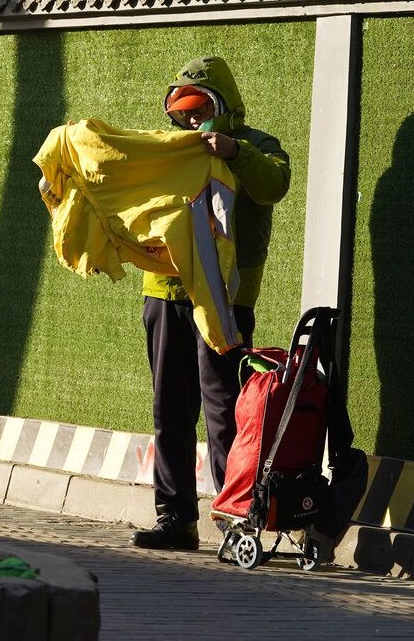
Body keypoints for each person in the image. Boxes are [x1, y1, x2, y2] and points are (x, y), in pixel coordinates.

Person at [130, 56, 291, 550]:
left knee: (224, 408)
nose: (190, 120)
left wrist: (235, 151)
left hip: (225, 298)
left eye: (200, 109)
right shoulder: (170, 149)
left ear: (223, 105)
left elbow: (274, 184)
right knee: (170, 410)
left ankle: (233, 517)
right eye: (182, 110)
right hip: (165, 294)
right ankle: (175, 517)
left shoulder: (256, 146)